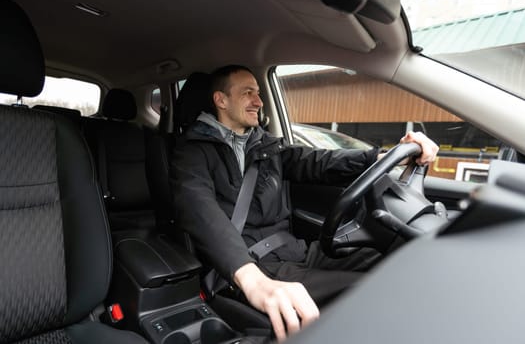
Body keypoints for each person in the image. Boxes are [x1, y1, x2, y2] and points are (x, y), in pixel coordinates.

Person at [171, 65, 439, 341]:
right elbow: (200, 211)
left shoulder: (265, 145)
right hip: (252, 262)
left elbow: (318, 162)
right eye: (247, 92)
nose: (259, 102)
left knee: (397, 262)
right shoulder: (192, 151)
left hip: (298, 251)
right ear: (221, 100)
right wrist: (252, 280)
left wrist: (383, 157)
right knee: (372, 290)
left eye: (259, 93)